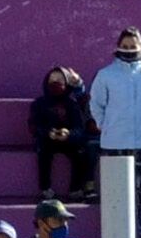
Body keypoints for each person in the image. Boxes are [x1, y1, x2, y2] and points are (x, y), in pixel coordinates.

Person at [88, 23, 141, 196]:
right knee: (116, 195)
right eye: (125, 46)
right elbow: (97, 103)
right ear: (118, 47)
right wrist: (105, 125)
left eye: (133, 46)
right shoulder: (106, 74)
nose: (129, 50)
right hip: (114, 142)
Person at [29, 67, 95, 200]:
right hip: (47, 139)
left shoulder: (72, 104)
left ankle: (75, 189)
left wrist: (69, 134)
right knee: (43, 153)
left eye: (60, 80)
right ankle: (45, 188)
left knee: (80, 153)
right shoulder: (39, 103)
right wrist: (48, 132)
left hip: (68, 140)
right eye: (52, 79)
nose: (56, 82)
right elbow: (34, 126)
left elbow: (79, 128)